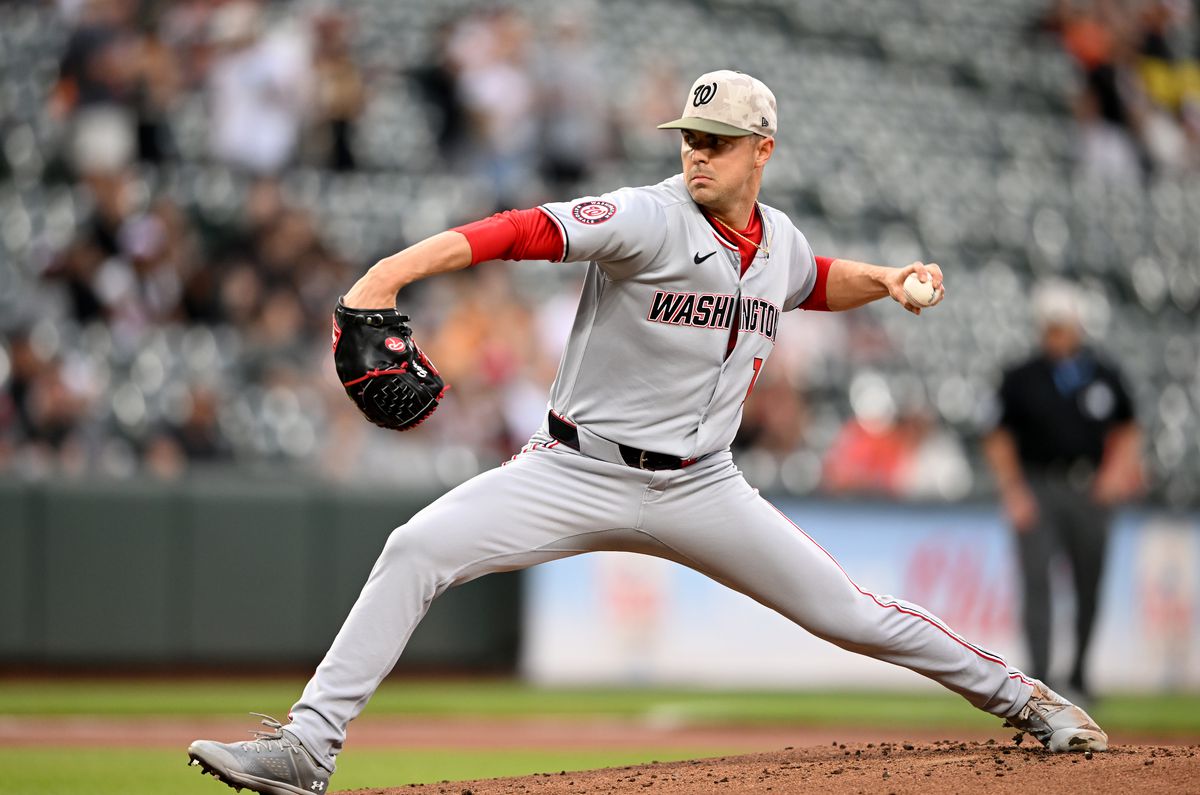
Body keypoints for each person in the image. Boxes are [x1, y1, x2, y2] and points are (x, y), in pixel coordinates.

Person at [188, 70, 1108, 795]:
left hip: (703, 484)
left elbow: (813, 277)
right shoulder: (647, 216)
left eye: (717, 142)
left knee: (853, 614)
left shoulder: (779, 242)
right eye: (689, 138)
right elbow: (517, 230)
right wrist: (386, 274)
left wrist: (889, 279)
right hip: (573, 468)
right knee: (416, 546)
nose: (697, 154)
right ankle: (308, 746)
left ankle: (1030, 700)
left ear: (763, 151)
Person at [983, 280, 1142, 703]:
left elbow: (1128, 429)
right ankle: (1039, 682)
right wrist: (1013, 490)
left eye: (1061, 327)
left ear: (1077, 327)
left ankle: (1080, 675)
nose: (1055, 335)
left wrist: (1115, 475)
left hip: (1089, 490)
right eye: (1049, 327)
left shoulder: (1104, 375)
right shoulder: (1021, 376)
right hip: (1039, 486)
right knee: (1036, 583)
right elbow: (997, 436)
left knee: (1090, 584)